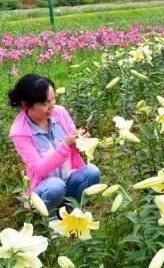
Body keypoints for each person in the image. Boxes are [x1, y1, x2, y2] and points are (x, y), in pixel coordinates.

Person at [8, 73, 100, 210]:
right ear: (26, 105)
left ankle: (73, 209)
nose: (52, 106)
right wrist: (65, 145)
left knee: (92, 172)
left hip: (68, 177)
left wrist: (80, 140)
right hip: (45, 187)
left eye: (53, 99)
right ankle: (49, 219)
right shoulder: (19, 132)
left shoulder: (60, 113)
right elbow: (40, 168)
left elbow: (74, 145)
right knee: (55, 187)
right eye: (45, 103)